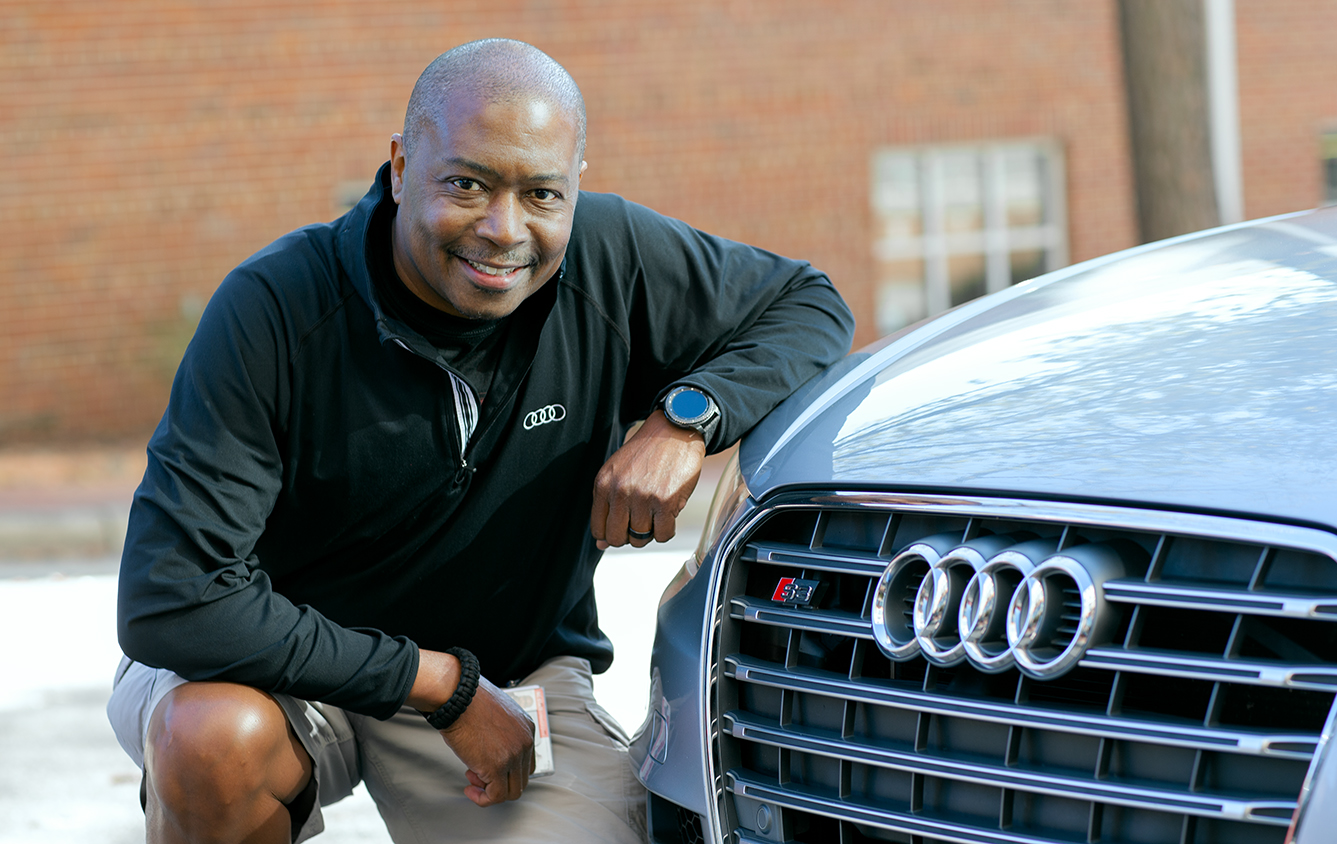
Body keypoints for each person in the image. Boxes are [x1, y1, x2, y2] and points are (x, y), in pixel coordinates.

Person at [107, 38, 854, 844]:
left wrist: (688, 418)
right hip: (287, 669)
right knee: (210, 739)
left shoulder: (612, 261)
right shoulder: (278, 309)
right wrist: (439, 685)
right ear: (400, 168)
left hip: (513, 673)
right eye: (466, 184)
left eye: (542, 194)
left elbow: (808, 304)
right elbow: (174, 599)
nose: (504, 230)